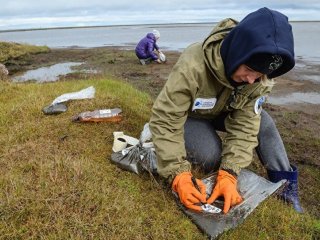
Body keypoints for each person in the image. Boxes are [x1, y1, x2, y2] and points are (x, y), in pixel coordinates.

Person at [149, 7, 303, 214]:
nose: (251, 79)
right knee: (210, 156)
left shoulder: (258, 78)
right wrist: (178, 174)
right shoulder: (193, 65)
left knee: (263, 121)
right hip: (191, 116)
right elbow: (166, 117)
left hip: (226, 111)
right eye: (248, 69)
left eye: (258, 74)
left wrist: (229, 172)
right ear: (236, 52)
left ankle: (285, 186)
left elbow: (246, 124)